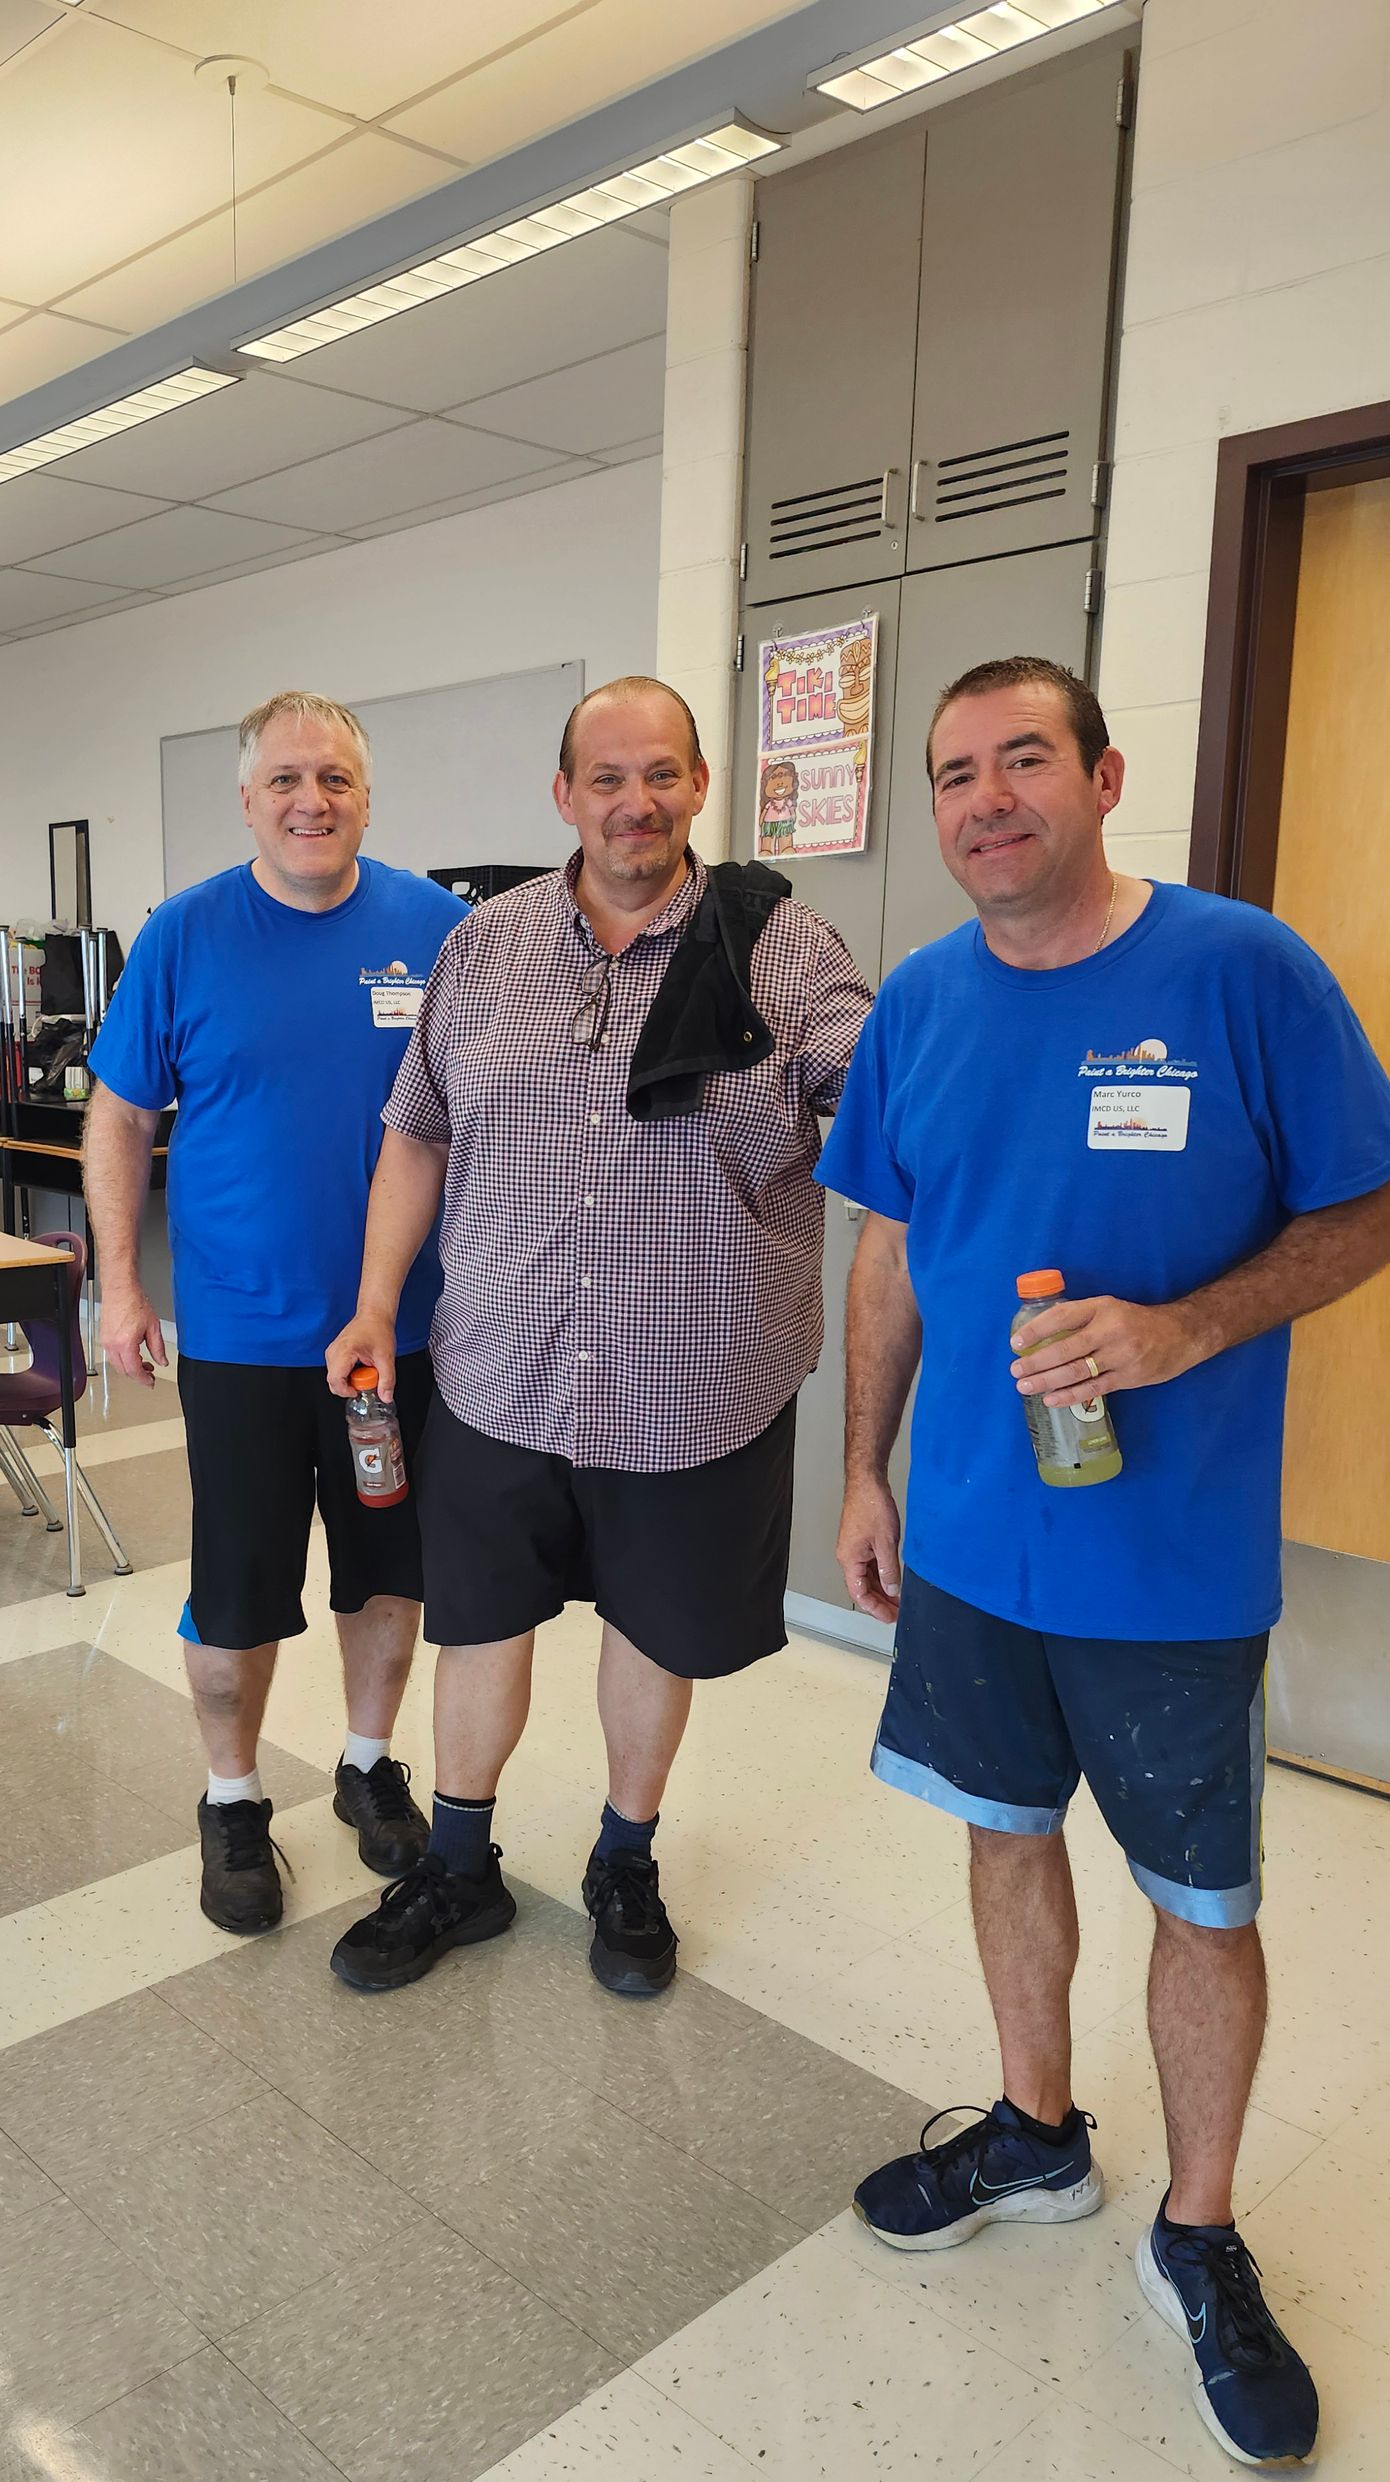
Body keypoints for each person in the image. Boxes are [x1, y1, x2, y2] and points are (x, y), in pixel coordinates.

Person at [820, 655, 1390, 2471]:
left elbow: (1367, 1202)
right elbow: (895, 1250)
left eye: (1023, 761)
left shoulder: (1239, 970)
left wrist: (1188, 1332)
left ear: (1102, 774)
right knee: (1003, 1838)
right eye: (954, 774)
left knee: (1203, 1903)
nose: (986, 799)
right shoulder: (918, 999)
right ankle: (1040, 2135)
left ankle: (1203, 2231)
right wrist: (864, 1470)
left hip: (1170, 1560)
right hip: (980, 1541)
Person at [323, 676, 872, 1997]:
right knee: (481, 1626)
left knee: (655, 1631)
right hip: (500, 1371)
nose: (638, 802)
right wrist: (378, 1301)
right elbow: (419, 1130)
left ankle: (625, 1859)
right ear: (565, 797)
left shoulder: (780, 945)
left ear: (699, 787)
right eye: (608, 779)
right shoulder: (485, 946)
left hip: (696, 1383)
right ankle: (458, 1867)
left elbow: (879, 1105)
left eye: (663, 775)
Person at [82, 691, 467, 1934]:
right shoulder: (185, 936)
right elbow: (121, 1119)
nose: (314, 801)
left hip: (403, 1336)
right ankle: (233, 1797)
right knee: (240, 1584)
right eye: (288, 780)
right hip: (244, 1335)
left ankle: (366, 1762)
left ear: (366, 794)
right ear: (247, 798)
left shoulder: (438, 930)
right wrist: (122, 1285)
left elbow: (488, 1116)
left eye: (338, 780)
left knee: (388, 1573)